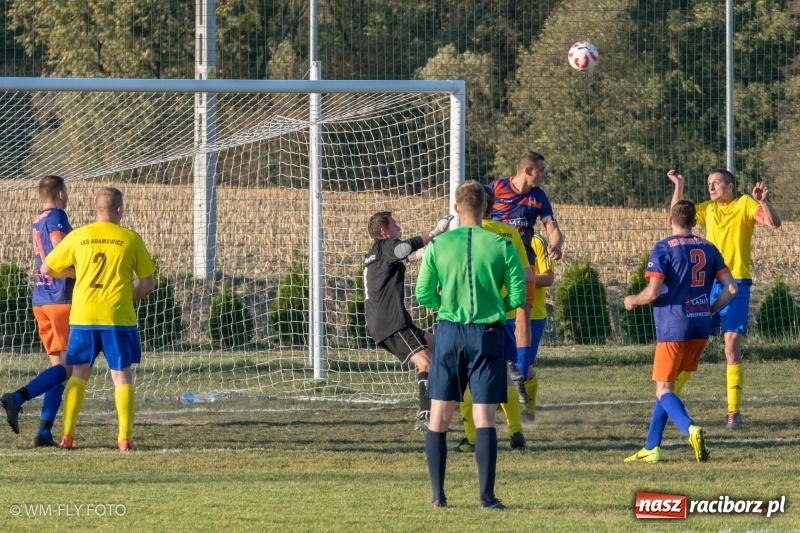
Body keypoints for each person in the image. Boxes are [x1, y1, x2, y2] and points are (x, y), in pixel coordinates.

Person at [416, 180, 526, 510]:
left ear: (455, 208)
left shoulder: (438, 245)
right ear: (486, 209)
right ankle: (486, 497)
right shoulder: (501, 244)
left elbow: (423, 293)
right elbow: (519, 296)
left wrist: (443, 303)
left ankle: (438, 497)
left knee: (439, 416)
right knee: (484, 418)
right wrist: (493, 308)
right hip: (487, 333)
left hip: (449, 331)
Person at [41, 187, 156, 451]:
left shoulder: (80, 236)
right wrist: (133, 296)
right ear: (119, 210)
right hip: (117, 317)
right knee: (121, 377)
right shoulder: (130, 239)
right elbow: (148, 284)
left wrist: (77, 273)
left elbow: (47, 268)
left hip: (83, 316)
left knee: (79, 374)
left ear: (97, 209)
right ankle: (124, 440)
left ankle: (67, 436)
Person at [623, 200, 737, 463]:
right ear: (695, 222)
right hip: (700, 327)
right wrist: (709, 310)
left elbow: (652, 293)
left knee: (663, 390)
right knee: (668, 388)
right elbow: (732, 289)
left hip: (674, 326)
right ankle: (652, 447)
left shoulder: (663, 248)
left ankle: (690, 428)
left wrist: (632, 299)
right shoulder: (709, 248)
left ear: (669, 220)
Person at [668, 168, 782, 428]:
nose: (711, 187)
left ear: (730, 186)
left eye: (716, 182)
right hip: (707, 285)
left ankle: (733, 412)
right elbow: (676, 219)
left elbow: (774, 223)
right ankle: (668, 399)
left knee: (731, 346)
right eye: (709, 183)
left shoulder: (744, 204)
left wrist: (763, 200)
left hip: (737, 284)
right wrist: (679, 185)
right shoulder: (707, 208)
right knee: (692, 345)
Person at [456, 184, 533, 453]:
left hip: (470, 317)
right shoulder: (509, 234)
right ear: (491, 206)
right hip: (505, 317)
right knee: (503, 377)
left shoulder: (462, 236)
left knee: (466, 378)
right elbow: (526, 275)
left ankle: (472, 438)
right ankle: (516, 433)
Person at [1, 175, 75, 446]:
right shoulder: (57, 216)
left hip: (41, 298)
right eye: (65, 190)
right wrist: (78, 272)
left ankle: (44, 432)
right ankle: (17, 397)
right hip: (59, 298)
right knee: (68, 369)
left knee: (58, 368)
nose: (67, 195)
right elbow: (58, 245)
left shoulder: (37, 219)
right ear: (59, 194)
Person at [363, 211, 453, 430]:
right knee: (427, 363)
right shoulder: (387, 246)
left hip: (383, 321)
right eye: (395, 225)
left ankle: (444, 401)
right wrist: (436, 232)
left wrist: (420, 255)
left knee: (444, 345)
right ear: (384, 231)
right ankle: (426, 415)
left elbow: (401, 258)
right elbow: (402, 249)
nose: (399, 228)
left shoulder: (374, 254)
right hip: (393, 322)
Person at [520, 231, 555, 422]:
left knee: (523, 367)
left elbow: (548, 278)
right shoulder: (498, 235)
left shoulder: (536, 241)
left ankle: (528, 410)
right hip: (505, 313)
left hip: (533, 316)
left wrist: (520, 279)